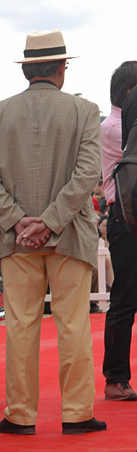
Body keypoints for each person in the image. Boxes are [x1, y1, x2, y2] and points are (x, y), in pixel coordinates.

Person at [0, 29, 105, 434]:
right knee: (73, 325)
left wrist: (18, 221)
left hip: (16, 240)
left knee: (21, 325)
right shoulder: (84, 112)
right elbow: (87, 176)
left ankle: (20, 414)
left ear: (27, 70)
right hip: (70, 235)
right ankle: (77, 413)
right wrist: (50, 221)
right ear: (62, 68)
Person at [100, 60, 137, 401]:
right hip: (125, 220)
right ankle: (115, 377)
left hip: (126, 218)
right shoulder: (117, 127)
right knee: (124, 300)